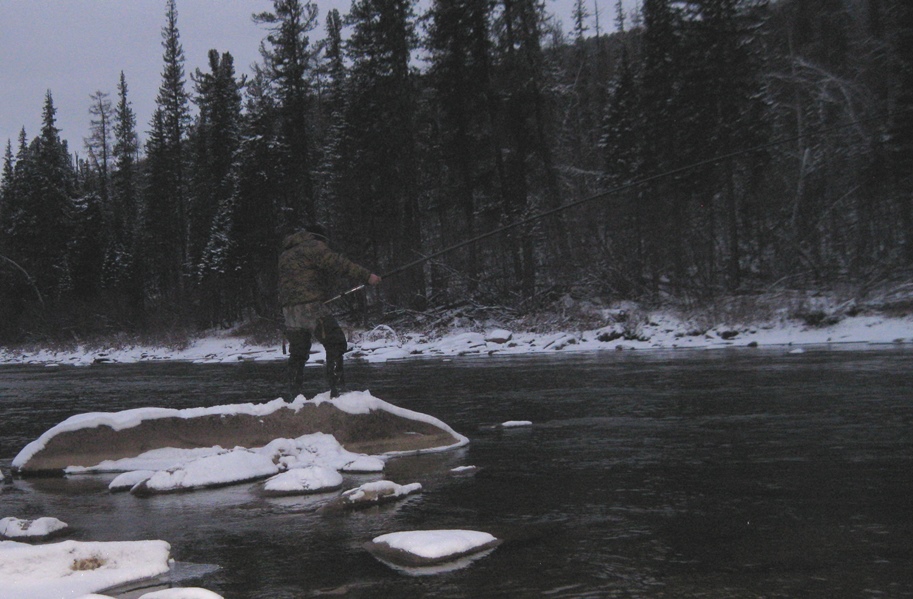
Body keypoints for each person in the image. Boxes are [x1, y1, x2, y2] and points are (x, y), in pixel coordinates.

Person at [278, 225, 381, 399]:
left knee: (298, 352)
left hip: (289, 310)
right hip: (311, 308)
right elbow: (339, 264)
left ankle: (293, 395)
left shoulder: (285, 254)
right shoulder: (313, 246)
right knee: (336, 342)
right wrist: (367, 276)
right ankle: (338, 391)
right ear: (318, 237)